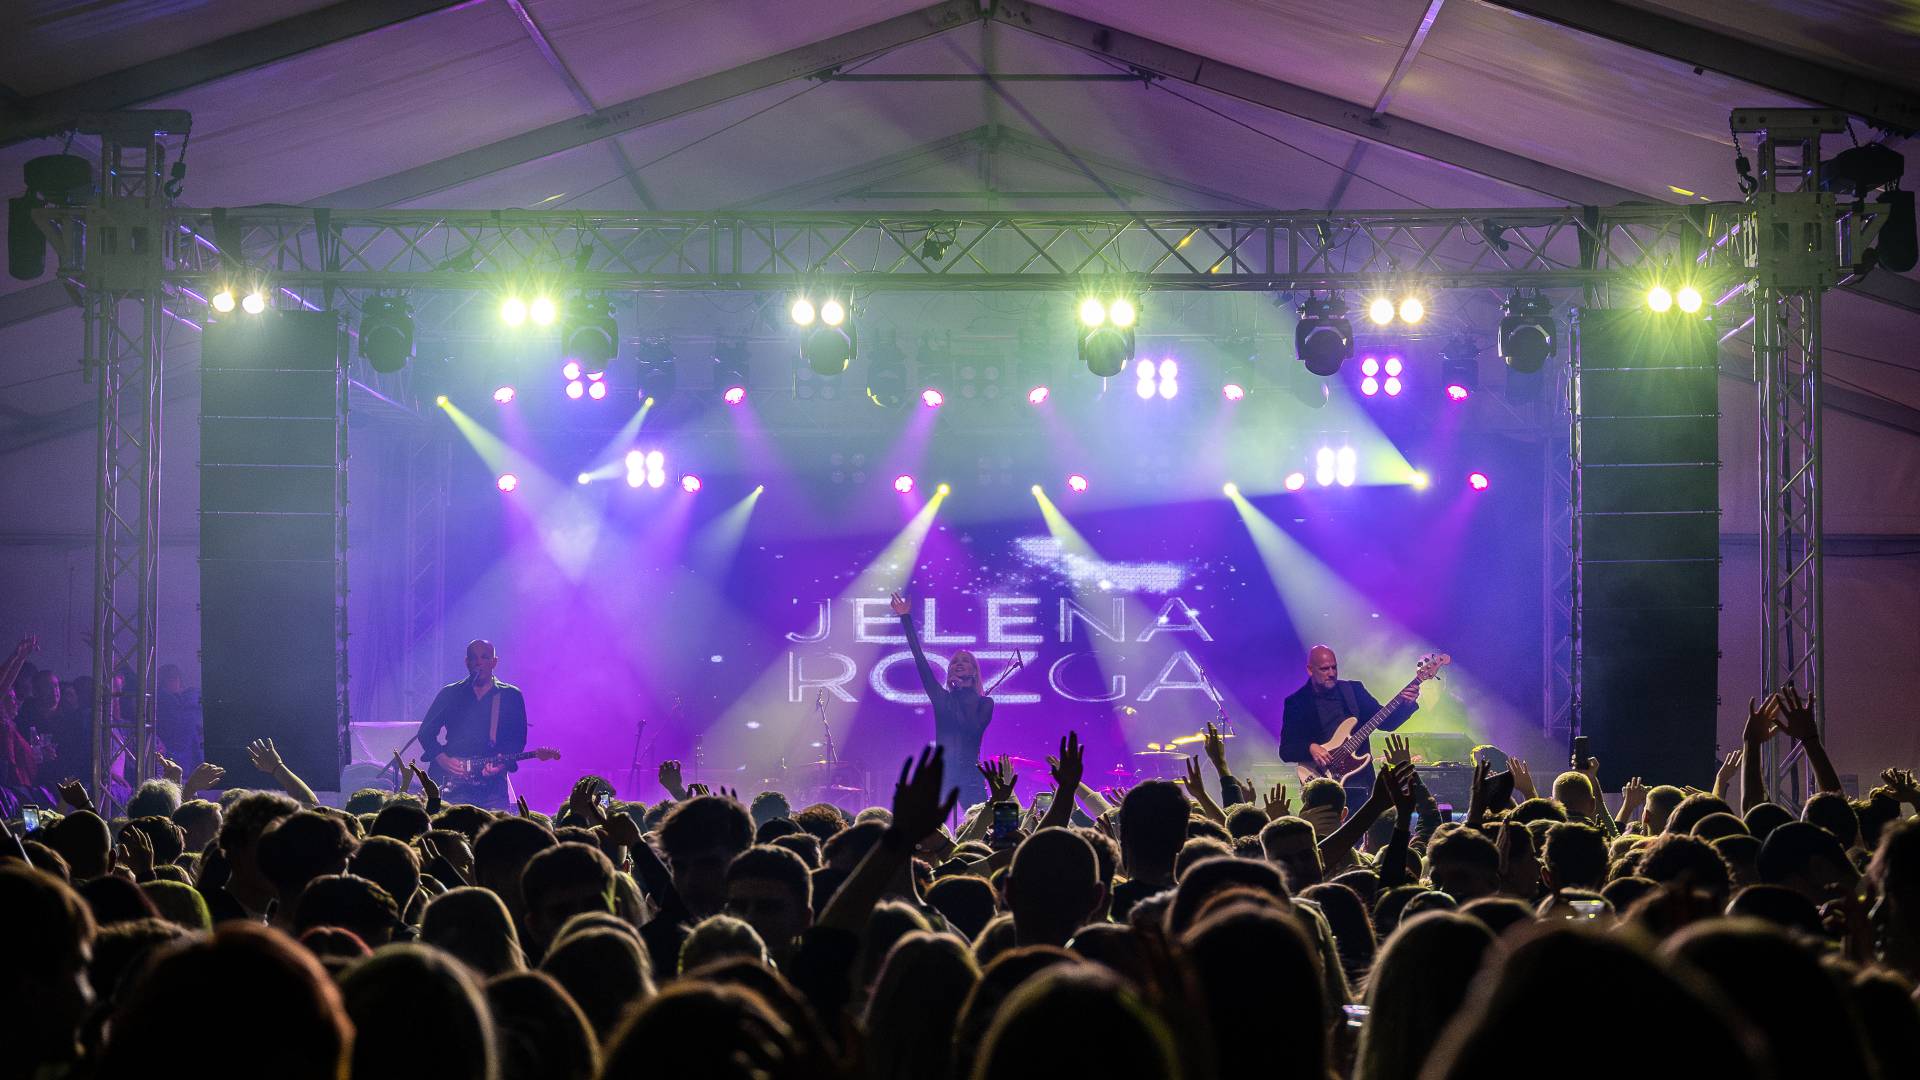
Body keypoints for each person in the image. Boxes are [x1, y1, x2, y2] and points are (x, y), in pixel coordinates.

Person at [1278, 645, 1419, 805]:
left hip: (1360, 783)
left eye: (1334, 667)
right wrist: (1310, 748)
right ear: (1310, 670)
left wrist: (1406, 705)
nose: (1331, 673)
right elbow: (1286, 750)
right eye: (1324, 669)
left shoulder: (1354, 691)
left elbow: (1387, 723)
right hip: (1323, 783)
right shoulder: (1297, 702)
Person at [891, 591, 994, 806]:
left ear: (974, 671)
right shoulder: (942, 698)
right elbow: (920, 659)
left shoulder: (985, 703)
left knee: (981, 824)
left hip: (969, 775)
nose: (958, 663)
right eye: (955, 661)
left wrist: (963, 691)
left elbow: (970, 728)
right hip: (942, 774)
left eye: (965, 661)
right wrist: (905, 618)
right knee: (926, 827)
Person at [415, 639, 529, 809]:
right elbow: (426, 732)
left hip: (491, 787)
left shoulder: (510, 695)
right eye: (473, 658)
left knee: (493, 831)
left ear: (494, 662)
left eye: (485, 657)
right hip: (452, 782)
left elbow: (517, 740)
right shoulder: (451, 693)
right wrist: (442, 758)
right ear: (467, 662)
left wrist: (501, 764)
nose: (479, 663)